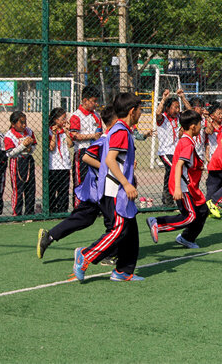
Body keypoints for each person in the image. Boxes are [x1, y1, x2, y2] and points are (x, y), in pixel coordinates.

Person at [73, 92, 144, 282]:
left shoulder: (122, 130)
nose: (141, 113)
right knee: (119, 230)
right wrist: (126, 184)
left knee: (130, 231)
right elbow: (110, 160)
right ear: (132, 111)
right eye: (140, 110)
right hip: (115, 190)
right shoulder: (120, 131)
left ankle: (123, 271)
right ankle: (85, 255)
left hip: (118, 190)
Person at [37, 106, 116, 260]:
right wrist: (108, 169)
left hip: (101, 187)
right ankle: (97, 254)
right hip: (100, 188)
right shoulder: (105, 139)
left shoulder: (114, 136)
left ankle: (50, 236)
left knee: (85, 218)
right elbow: (87, 157)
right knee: (114, 222)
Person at [146, 109, 208, 249]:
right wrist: (178, 189)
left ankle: (186, 238)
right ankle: (157, 224)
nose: (201, 127)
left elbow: (186, 164)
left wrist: (197, 166)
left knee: (202, 210)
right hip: (183, 186)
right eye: (200, 124)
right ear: (193, 127)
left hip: (188, 186)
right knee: (190, 216)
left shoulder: (187, 141)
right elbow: (179, 165)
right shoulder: (187, 143)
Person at [156, 88, 189, 206]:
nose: (177, 110)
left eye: (178, 107)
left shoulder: (179, 117)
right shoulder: (163, 118)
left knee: (171, 173)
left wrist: (182, 97)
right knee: (173, 170)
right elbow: (157, 114)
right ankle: (169, 199)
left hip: (176, 151)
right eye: (175, 107)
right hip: (165, 151)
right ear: (168, 108)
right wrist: (164, 99)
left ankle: (167, 198)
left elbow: (191, 113)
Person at [68, 85, 102, 200]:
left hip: (96, 152)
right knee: (81, 182)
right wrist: (92, 136)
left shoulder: (96, 115)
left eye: (97, 101)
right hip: (82, 152)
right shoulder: (76, 116)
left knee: (95, 181)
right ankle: (79, 205)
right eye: (94, 101)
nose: (96, 104)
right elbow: (74, 135)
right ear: (85, 100)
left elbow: (100, 132)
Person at [3, 110, 37, 216]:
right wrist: (23, 146)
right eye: (21, 122)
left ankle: (29, 212)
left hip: (28, 160)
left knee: (30, 188)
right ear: (13, 124)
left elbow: (34, 145)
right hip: (17, 161)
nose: (24, 125)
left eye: (25, 122)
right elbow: (10, 153)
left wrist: (30, 148)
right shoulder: (9, 135)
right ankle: (16, 213)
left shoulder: (29, 131)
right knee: (18, 189)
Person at [48, 107, 74, 213]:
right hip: (53, 165)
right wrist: (54, 134)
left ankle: (63, 209)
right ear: (55, 120)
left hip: (65, 165)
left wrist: (67, 132)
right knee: (52, 189)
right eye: (63, 119)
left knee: (64, 189)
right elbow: (51, 147)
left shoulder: (64, 131)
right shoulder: (49, 131)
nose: (65, 121)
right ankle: (52, 209)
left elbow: (70, 144)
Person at [188, 97, 209, 161]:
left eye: (201, 106)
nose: (202, 109)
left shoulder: (204, 119)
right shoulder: (189, 118)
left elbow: (209, 131)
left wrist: (207, 117)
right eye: (200, 107)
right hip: (190, 149)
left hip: (201, 151)